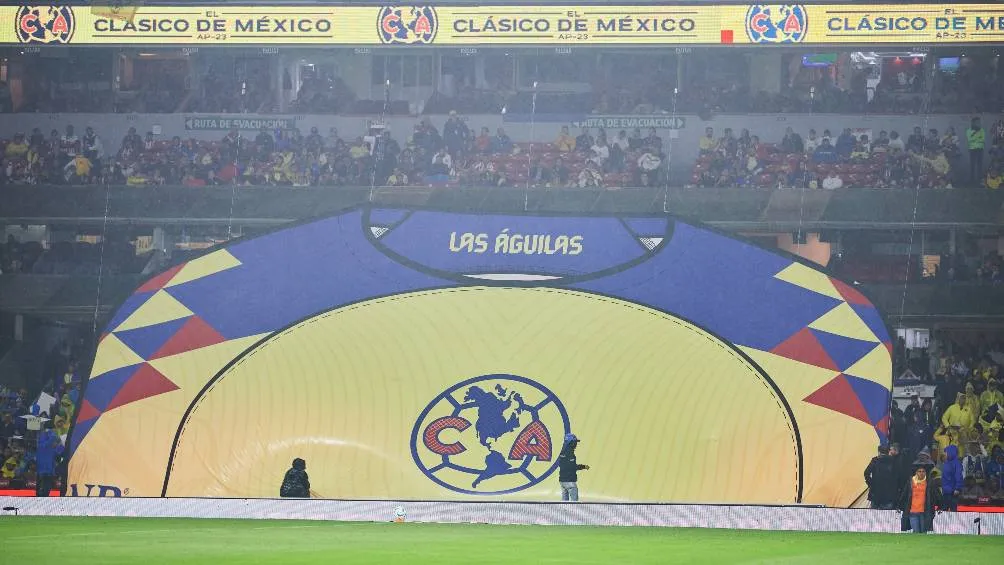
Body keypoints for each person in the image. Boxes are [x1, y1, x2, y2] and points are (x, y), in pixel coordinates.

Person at [899, 460, 938, 533]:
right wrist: (900, 506)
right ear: (916, 472)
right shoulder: (911, 482)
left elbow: (936, 495)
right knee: (916, 532)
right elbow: (904, 494)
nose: (921, 473)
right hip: (913, 511)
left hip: (925, 511)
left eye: (923, 471)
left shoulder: (929, 482)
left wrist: (940, 505)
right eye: (919, 471)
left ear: (926, 473)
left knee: (923, 532)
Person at [864, 444, 898, 509]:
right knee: (886, 517)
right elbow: (896, 478)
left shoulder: (875, 460)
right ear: (888, 451)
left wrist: (871, 484)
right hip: (888, 496)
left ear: (879, 452)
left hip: (875, 494)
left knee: (874, 517)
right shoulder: (894, 462)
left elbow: (866, 473)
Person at [558, 433, 589, 502]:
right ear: (571, 442)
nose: (576, 444)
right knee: (574, 504)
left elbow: (564, 465)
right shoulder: (570, 453)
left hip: (562, 481)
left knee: (564, 503)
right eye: (575, 442)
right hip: (570, 481)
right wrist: (583, 466)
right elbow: (573, 467)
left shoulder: (563, 452)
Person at [941, 444, 963, 511]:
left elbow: (958, 476)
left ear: (951, 452)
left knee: (953, 511)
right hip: (945, 491)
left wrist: (957, 488)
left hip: (953, 492)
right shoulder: (946, 463)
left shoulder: (957, 463)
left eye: (946, 452)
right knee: (944, 511)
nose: (945, 454)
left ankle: (953, 522)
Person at [966, 117, 985, 186]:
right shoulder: (968, 130)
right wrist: (977, 137)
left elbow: (983, 139)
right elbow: (969, 139)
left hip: (980, 149)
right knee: (972, 165)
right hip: (972, 149)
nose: (978, 124)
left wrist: (975, 139)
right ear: (973, 123)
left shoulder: (982, 130)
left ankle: (980, 180)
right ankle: (972, 180)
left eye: (979, 122)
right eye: (977, 122)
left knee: (979, 165)